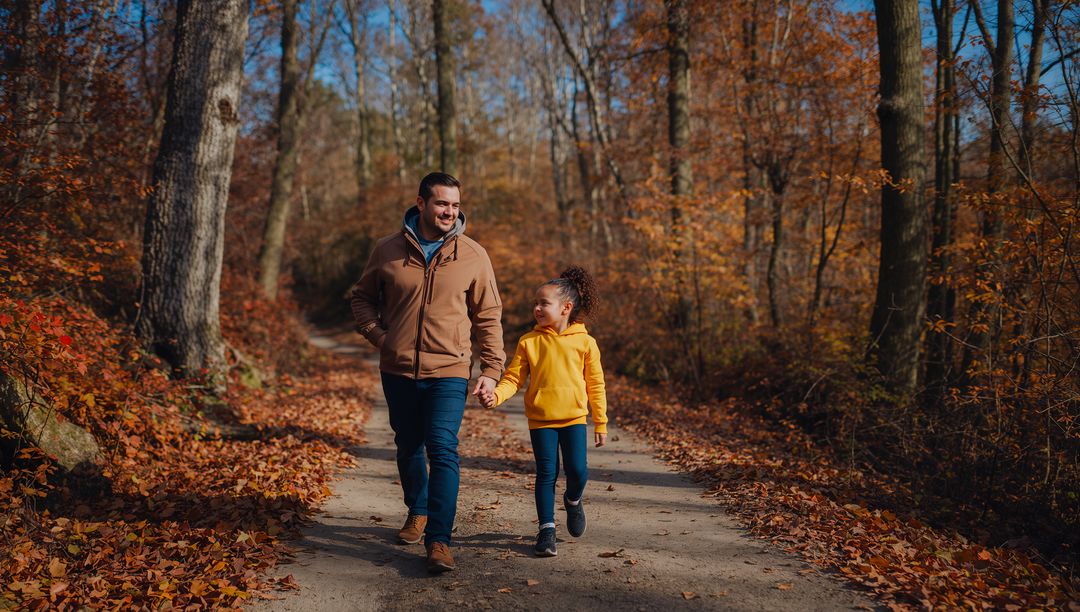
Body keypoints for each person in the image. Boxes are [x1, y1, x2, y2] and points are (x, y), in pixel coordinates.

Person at [349, 172, 505, 574]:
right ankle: (416, 509)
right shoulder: (387, 250)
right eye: (441, 204)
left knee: (443, 448)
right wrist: (380, 338)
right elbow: (362, 299)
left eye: (455, 205)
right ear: (421, 203)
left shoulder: (473, 255)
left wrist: (491, 368)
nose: (450, 212)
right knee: (408, 445)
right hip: (397, 369)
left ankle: (439, 540)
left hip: (450, 370)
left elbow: (488, 315)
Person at [480, 266, 608, 557]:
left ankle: (573, 500)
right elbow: (513, 378)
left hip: (574, 418)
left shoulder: (586, 343)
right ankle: (546, 530)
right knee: (545, 473)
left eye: (543, 303)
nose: (537, 308)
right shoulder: (529, 341)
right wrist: (496, 395)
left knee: (577, 471)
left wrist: (600, 422)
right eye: (535, 303)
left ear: (566, 308)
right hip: (541, 421)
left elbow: (596, 384)